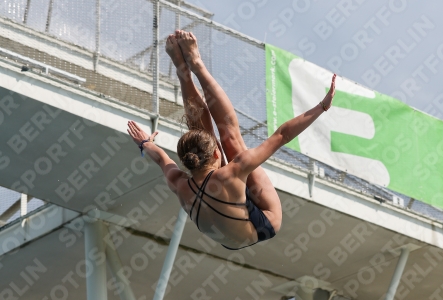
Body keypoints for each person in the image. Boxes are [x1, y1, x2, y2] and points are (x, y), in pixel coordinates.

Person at [127, 30, 336, 250]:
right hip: (263, 224)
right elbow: (282, 135)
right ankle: (193, 66)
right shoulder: (227, 172)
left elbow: (160, 159)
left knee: (211, 138)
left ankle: (184, 70)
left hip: (231, 227)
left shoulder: (180, 185)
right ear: (216, 154)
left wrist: (145, 145)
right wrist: (322, 107)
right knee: (233, 141)